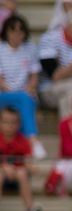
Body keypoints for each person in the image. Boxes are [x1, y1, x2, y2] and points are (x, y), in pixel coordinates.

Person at [0, 15, 42, 146]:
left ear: (25, 33)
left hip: (24, 93)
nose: (16, 35)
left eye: (20, 31)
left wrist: (30, 88)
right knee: (24, 100)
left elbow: (34, 76)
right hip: (4, 94)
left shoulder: (30, 48)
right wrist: (16, 92)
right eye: (13, 31)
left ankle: (23, 147)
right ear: (6, 32)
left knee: (25, 100)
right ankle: (32, 140)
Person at [0, 105, 37, 211]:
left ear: (19, 124)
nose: (10, 126)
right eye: (6, 122)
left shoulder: (23, 141)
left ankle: (30, 207)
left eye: (13, 122)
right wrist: (4, 166)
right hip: (2, 174)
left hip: (18, 175)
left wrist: (30, 166)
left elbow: (28, 160)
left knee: (21, 173)